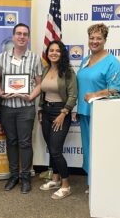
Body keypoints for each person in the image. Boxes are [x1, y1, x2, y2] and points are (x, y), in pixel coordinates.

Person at [0, 23, 43, 194]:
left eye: (25, 34)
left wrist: (31, 96)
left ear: (28, 37)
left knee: (25, 142)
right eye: (19, 34)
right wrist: (0, 91)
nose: (22, 37)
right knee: (11, 142)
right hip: (7, 107)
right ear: (13, 36)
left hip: (26, 108)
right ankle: (13, 175)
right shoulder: (1, 57)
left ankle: (25, 177)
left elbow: (39, 83)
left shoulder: (35, 58)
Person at [76, 23, 120, 192]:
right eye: (91, 38)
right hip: (84, 112)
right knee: (88, 149)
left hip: (101, 115)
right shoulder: (85, 60)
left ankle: (100, 183)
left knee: (100, 151)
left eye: (98, 38)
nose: (94, 41)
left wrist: (95, 94)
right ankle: (92, 181)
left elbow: (116, 89)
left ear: (105, 40)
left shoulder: (112, 62)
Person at [38, 40, 77, 199]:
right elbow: (43, 92)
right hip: (46, 111)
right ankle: (55, 178)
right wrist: (41, 108)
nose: (53, 53)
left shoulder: (68, 71)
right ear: (47, 53)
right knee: (50, 146)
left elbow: (73, 95)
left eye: (57, 51)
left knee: (55, 149)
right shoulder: (46, 68)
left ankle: (66, 185)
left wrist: (63, 113)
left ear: (62, 53)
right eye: (51, 50)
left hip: (60, 112)